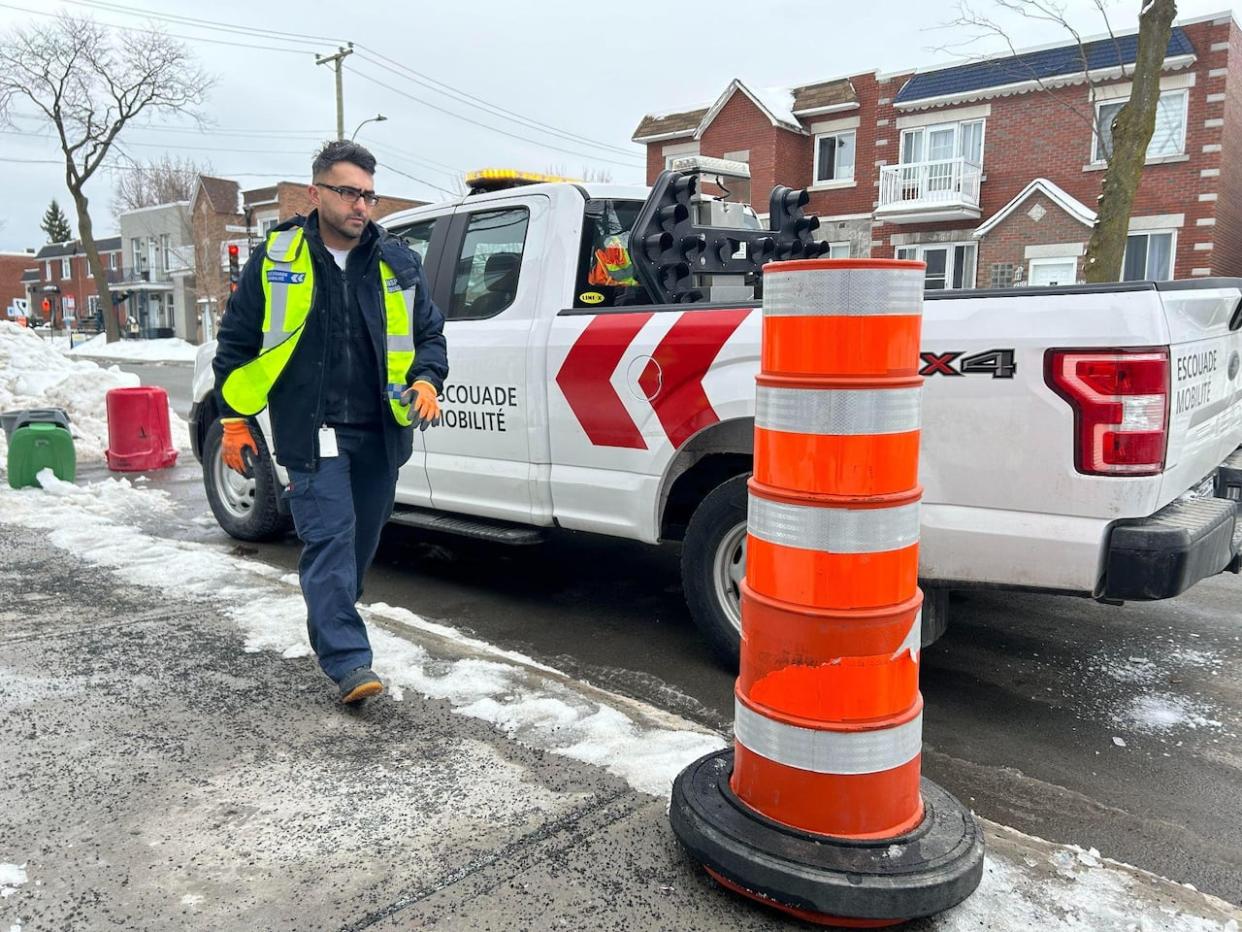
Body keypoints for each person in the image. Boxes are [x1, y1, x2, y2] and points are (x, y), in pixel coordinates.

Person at [212, 140, 448, 704]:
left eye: (368, 194)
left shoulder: (397, 262)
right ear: (316, 193)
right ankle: (348, 662)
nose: (360, 205)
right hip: (312, 430)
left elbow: (429, 336)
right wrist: (234, 420)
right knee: (330, 539)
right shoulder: (277, 258)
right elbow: (237, 343)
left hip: (382, 429)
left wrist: (427, 380)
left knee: (360, 541)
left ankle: (334, 610)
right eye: (348, 192)